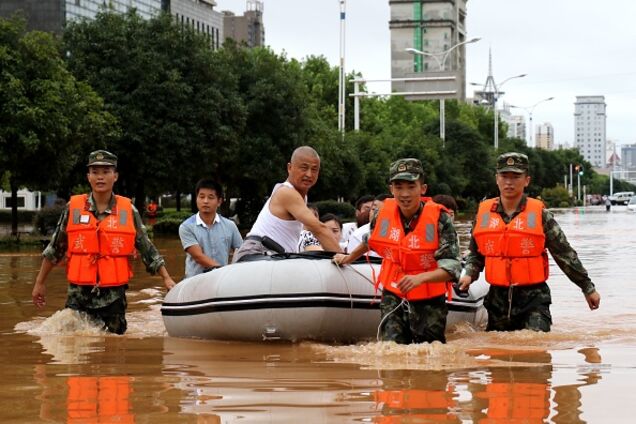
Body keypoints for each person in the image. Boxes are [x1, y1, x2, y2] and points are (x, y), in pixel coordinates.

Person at [31, 150, 176, 334]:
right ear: (88, 177)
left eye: (106, 172)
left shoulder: (128, 210)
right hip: (79, 295)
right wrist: (40, 282)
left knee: (113, 352)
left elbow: (146, 247)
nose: (100, 177)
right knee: (73, 349)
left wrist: (166, 277)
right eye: (95, 172)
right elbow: (55, 248)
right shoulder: (73, 209)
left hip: (113, 297)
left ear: (115, 176)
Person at [459, 152, 601, 332]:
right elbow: (476, 253)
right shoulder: (483, 214)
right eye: (504, 176)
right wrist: (469, 274)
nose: (509, 182)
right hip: (497, 299)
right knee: (497, 354)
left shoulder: (540, 215)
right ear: (497, 179)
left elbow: (564, 254)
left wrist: (587, 288)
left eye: (516, 176)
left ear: (526, 180)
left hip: (533, 299)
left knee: (536, 350)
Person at [333, 158, 461, 344]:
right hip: (393, 293)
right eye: (398, 187)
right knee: (391, 349)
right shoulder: (383, 215)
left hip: (429, 299)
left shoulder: (440, 219)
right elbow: (371, 240)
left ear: (423, 188)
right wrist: (349, 258)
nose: (405, 194)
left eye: (411, 186)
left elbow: (453, 267)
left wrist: (419, 278)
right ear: (391, 189)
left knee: (429, 354)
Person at [233, 146, 341, 262]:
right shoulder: (287, 192)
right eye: (304, 168)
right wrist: (346, 260)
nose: (309, 174)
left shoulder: (299, 196)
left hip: (272, 256)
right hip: (256, 254)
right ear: (290, 168)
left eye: (314, 169)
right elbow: (319, 229)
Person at [179, 178, 243, 278]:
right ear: (196, 199)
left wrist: (234, 271)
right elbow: (198, 257)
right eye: (201, 197)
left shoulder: (230, 225)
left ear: (219, 201)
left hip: (221, 281)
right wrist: (224, 271)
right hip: (194, 282)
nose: (205, 201)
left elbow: (241, 250)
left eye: (210, 197)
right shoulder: (186, 227)